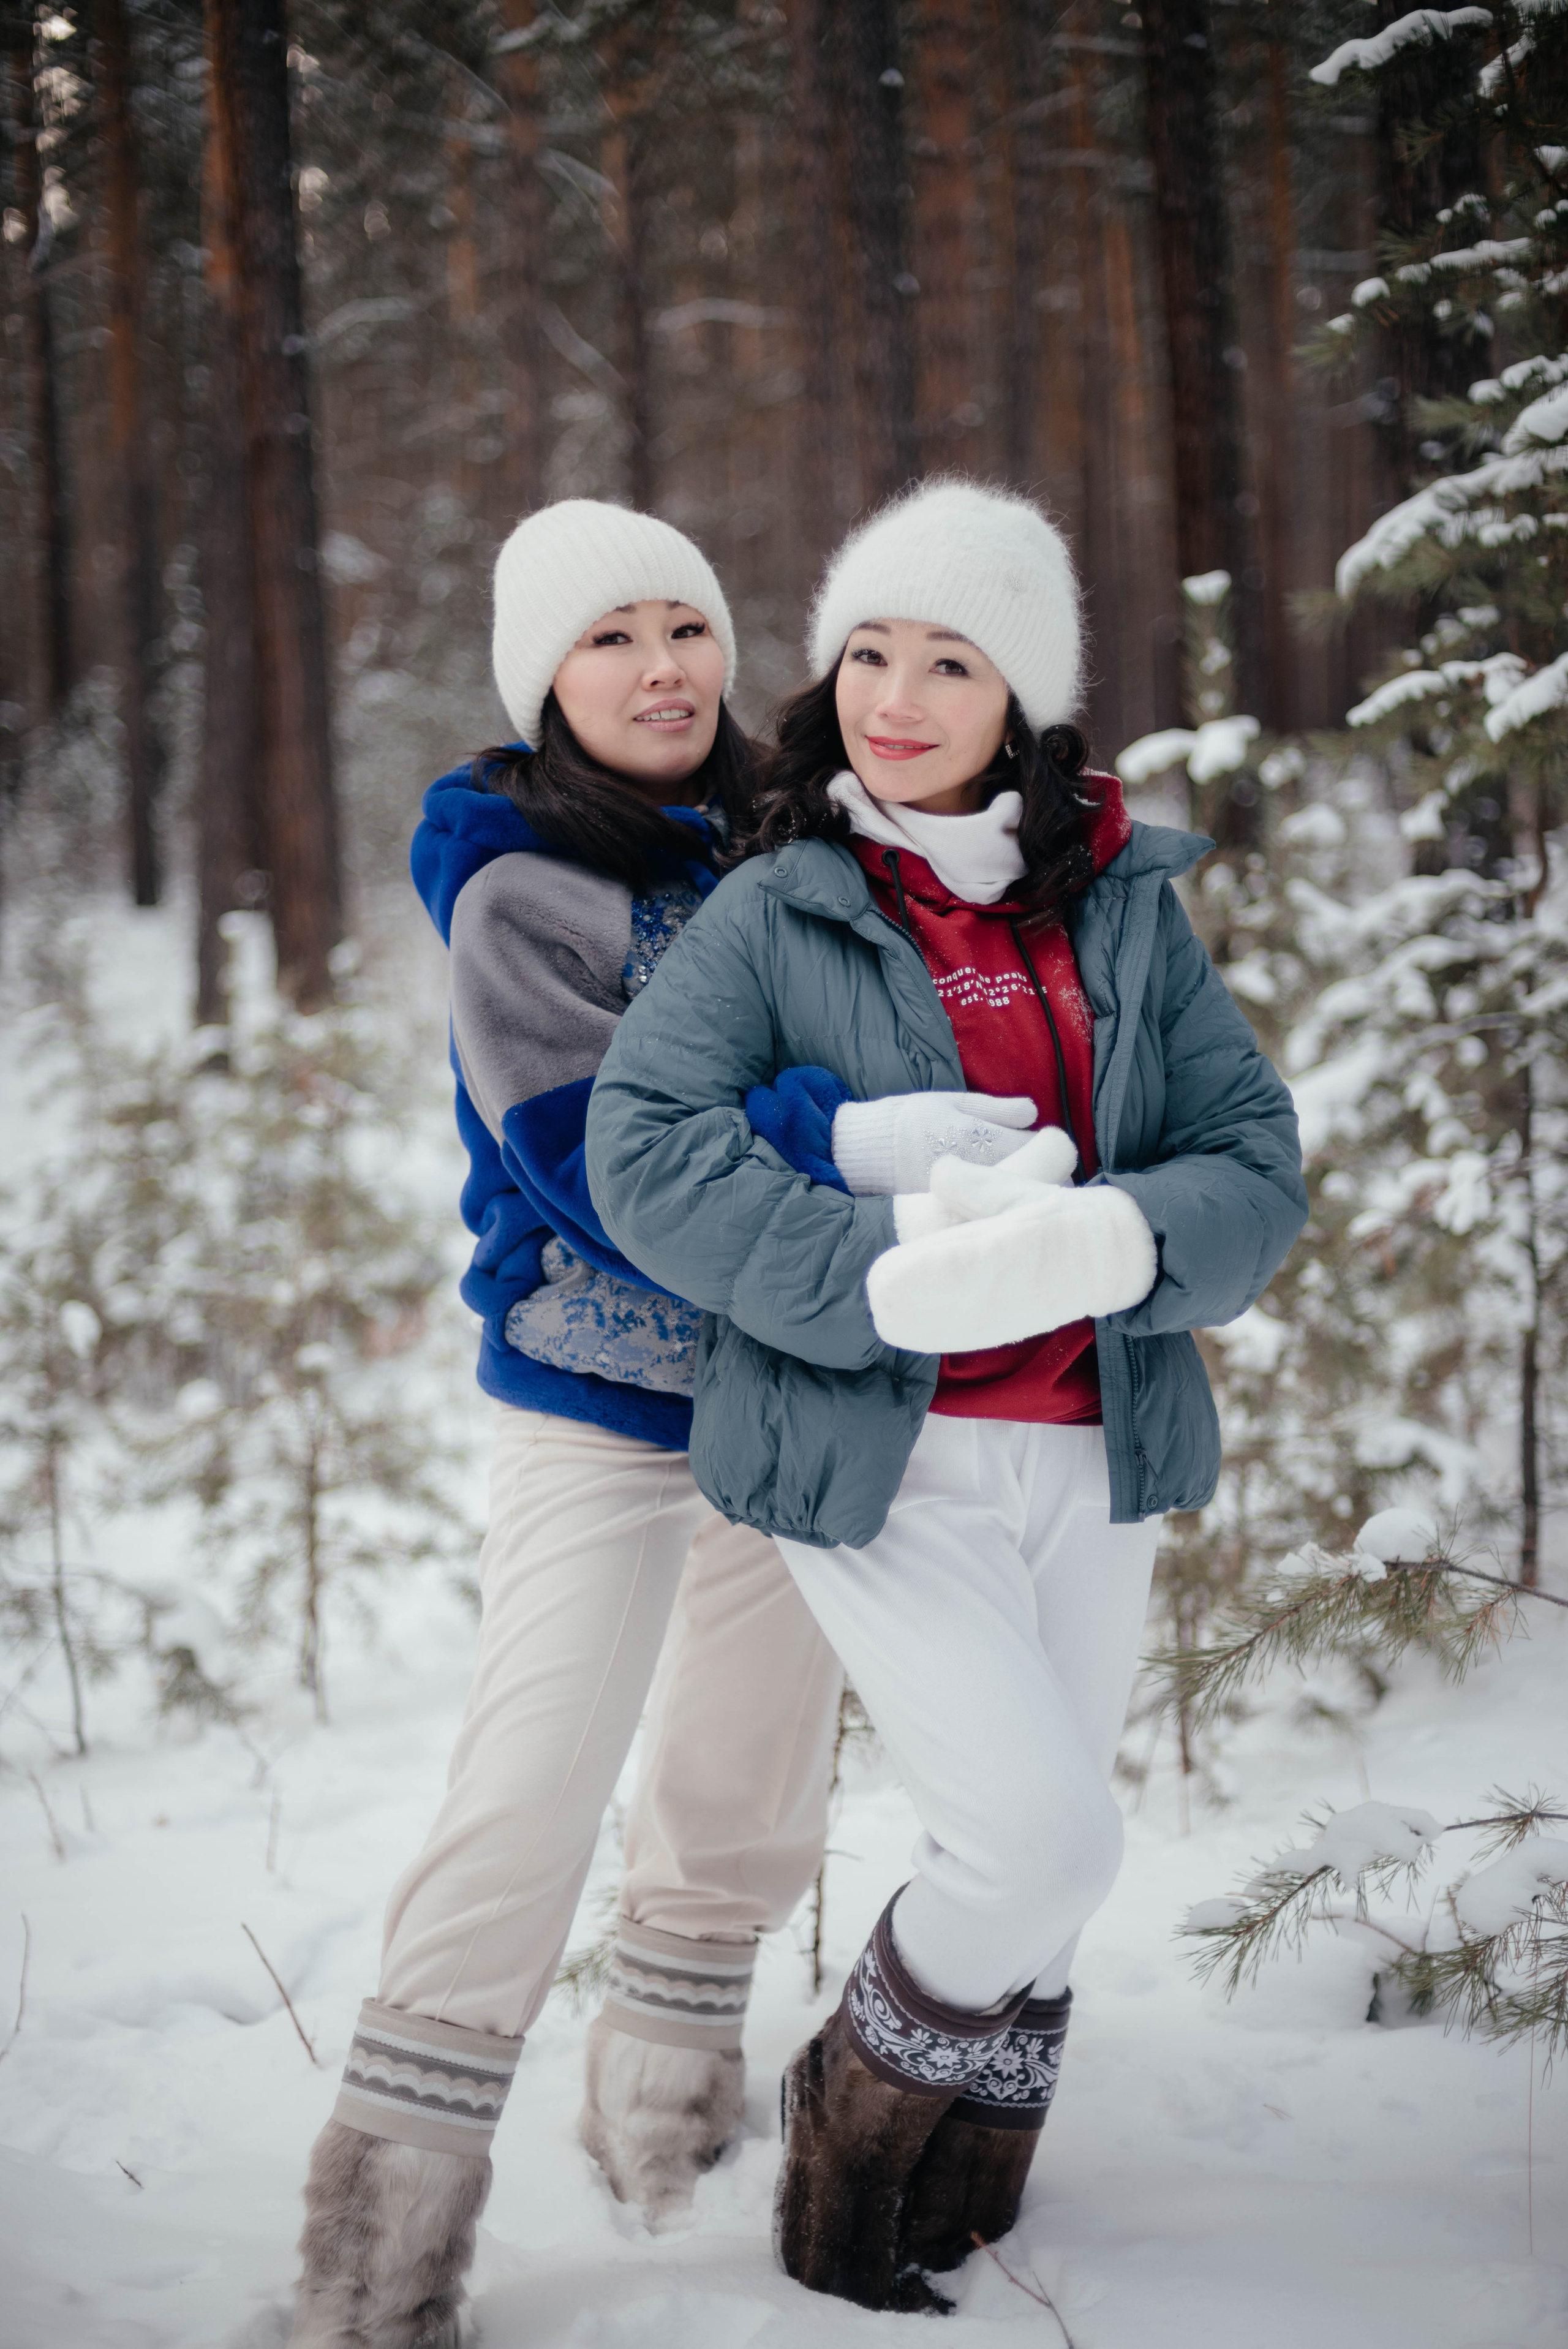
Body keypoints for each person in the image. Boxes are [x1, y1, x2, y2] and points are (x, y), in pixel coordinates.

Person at [585, 478, 1308, 2313]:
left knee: (1048, 1873)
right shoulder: (779, 905)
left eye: (949, 662)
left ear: (1026, 702)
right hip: (871, 1452)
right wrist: (872, 1266)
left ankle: (968, 2189)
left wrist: (1125, 1244)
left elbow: (1253, 1159)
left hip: (1096, 1443)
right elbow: (642, 1150)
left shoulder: (1127, 912)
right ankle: (849, 2122)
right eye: (869, 655)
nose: (896, 699)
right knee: (1043, 1833)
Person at [288, 500, 876, 2348]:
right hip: (599, 1402)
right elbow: (601, 1162)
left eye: (684, 629)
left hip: (787, 1381)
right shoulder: (522, 883)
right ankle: (372, 2261)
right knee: (529, 1789)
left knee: (750, 1771)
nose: (661, 668)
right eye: (611, 637)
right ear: (546, 678)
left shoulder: (796, 840)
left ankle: (671, 2120)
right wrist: (826, 1142)